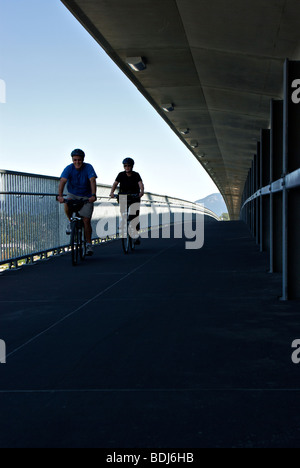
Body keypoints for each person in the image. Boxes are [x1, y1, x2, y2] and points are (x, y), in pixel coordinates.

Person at [57, 149, 97, 256]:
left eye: (79, 160)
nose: (77, 162)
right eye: (75, 160)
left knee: (86, 220)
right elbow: (62, 181)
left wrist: (93, 195)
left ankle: (88, 244)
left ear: (83, 160)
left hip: (86, 196)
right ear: (72, 160)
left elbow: (92, 180)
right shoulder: (69, 168)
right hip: (73, 194)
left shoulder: (88, 167)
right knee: (67, 202)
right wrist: (60, 196)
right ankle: (71, 222)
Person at [110, 158, 144, 245]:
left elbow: (140, 184)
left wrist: (141, 192)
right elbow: (115, 183)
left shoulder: (136, 175)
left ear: (132, 166)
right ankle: (123, 226)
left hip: (134, 196)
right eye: (125, 166)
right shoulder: (121, 175)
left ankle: (135, 235)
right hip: (123, 196)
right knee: (123, 213)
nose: (127, 167)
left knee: (134, 216)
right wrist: (112, 192)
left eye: (129, 166)